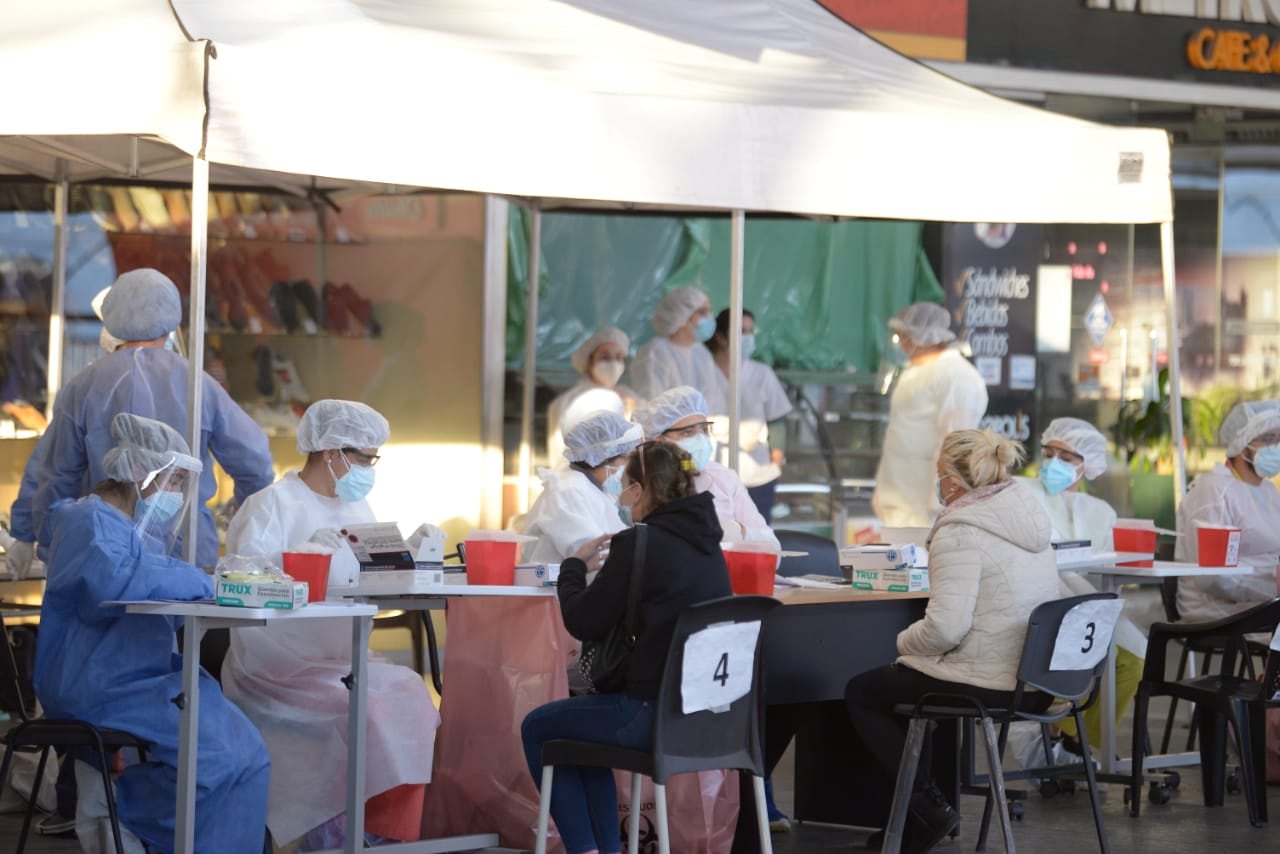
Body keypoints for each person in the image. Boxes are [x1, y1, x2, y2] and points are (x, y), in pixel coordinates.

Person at [33, 413, 269, 853]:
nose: (177, 495)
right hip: (96, 683)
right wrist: (201, 581)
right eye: (174, 481)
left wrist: (208, 582)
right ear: (141, 473)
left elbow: (158, 592)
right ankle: (130, 812)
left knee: (250, 754)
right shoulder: (87, 521)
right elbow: (118, 582)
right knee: (215, 759)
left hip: (148, 681)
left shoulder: (137, 534)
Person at [221, 399, 440, 850]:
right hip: (276, 669)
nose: (370, 468)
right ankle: (340, 835)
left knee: (411, 694)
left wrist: (408, 559)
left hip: (341, 661)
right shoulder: (271, 505)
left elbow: (371, 580)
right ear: (330, 452)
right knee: (370, 711)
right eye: (364, 457)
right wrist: (293, 559)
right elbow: (240, 580)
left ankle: (386, 834)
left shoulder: (358, 506)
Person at [846, 429, 1058, 853]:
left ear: (954, 481)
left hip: (991, 680)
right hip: (1038, 680)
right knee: (913, 681)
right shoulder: (1027, 517)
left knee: (864, 691)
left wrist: (902, 642)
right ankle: (918, 817)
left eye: (939, 473)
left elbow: (945, 628)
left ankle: (927, 810)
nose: (937, 483)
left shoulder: (959, 530)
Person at [521, 442, 732, 854]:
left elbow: (583, 621)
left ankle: (587, 848)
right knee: (578, 740)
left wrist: (573, 569)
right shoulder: (710, 545)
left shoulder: (639, 544)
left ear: (639, 490)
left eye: (624, 485)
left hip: (648, 715)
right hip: (710, 718)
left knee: (538, 727)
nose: (619, 496)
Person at [31, 268, 275, 568]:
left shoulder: (83, 386)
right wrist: (244, 522)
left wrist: (48, 545)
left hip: (103, 547)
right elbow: (256, 462)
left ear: (112, 315)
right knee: (186, 613)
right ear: (171, 320)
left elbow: (57, 477)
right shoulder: (198, 384)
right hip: (187, 549)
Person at [1011, 418, 1146, 760]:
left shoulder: (1100, 511)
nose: (1054, 463)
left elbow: (1107, 570)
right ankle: (1078, 741)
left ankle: (1071, 735)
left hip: (1090, 606)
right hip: (1039, 606)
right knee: (1106, 655)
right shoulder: (1020, 494)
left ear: (1087, 466)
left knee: (1138, 656)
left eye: (1067, 457)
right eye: (1049, 453)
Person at [873, 302, 988, 529]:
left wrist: (938, 502)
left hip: (926, 511)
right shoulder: (915, 372)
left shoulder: (958, 376)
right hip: (899, 500)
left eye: (903, 337)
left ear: (923, 337)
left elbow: (955, 444)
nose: (902, 345)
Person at [635, 386, 779, 549]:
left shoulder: (724, 478)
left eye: (704, 430)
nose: (700, 440)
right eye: (687, 433)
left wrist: (740, 532)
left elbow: (772, 547)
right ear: (659, 441)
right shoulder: (641, 483)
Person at [1175, 399, 1280, 622]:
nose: (1277, 447)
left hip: (1262, 603)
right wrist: (1272, 589)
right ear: (1241, 444)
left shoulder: (1269, 491)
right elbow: (1213, 579)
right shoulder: (1214, 491)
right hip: (1213, 610)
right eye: (1268, 439)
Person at [706, 308, 792, 523]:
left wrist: (776, 463)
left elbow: (776, 422)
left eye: (750, 331)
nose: (748, 338)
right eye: (741, 331)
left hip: (758, 476)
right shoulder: (703, 371)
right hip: (713, 475)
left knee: (755, 539)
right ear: (720, 337)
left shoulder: (762, 374)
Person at [523, 410, 644, 564]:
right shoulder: (568, 491)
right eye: (626, 458)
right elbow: (592, 554)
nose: (629, 466)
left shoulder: (598, 490)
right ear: (604, 457)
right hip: (559, 587)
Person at [547, 326, 642, 466]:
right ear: (589, 360)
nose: (613, 363)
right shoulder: (571, 401)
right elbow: (563, 450)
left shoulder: (629, 397)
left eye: (619, 357)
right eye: (605, 357)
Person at [630, 286, 725, 403]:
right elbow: (651, 406)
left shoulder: (702, 353)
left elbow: (713, 401)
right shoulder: (654, 353)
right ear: (682, 315)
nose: (710, 317)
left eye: (710, 311)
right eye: (702, 312)